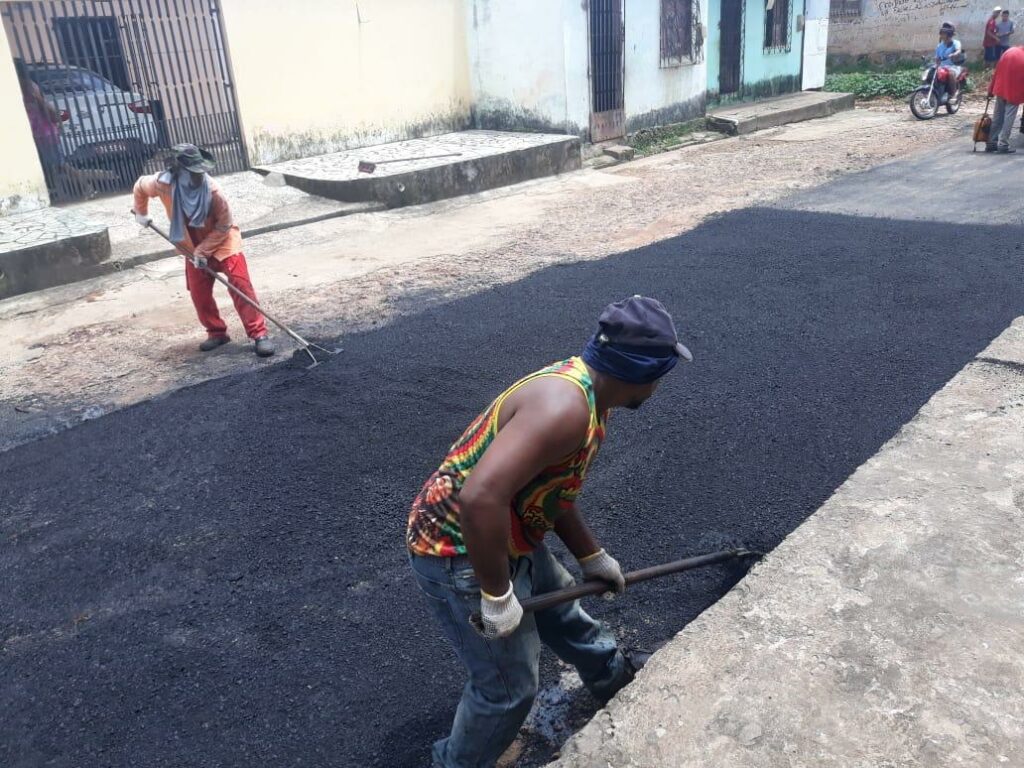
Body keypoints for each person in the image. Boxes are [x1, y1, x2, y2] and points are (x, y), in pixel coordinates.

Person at [407, 295, 693, 768]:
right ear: (640, 372)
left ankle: (611, 677)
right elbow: (479, 499)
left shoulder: (588, 391)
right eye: (660, 376)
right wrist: (497, 595)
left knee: (563, 609)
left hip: (505, 529)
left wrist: (590, 557)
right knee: (508, 689)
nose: (659, 387)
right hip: (460, 547)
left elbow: (552, 486)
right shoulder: (564, 410)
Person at [132, 144, 275, 356]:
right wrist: (141, 213)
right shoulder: (162, 184)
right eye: (192, 171)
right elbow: (139, 187)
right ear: (178, 170)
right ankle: (217, 333)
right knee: (199, 293)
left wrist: (204, 251)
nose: (198, 176)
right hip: (190, 243)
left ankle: (259, 334)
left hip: (223, 242)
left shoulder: (213, 191)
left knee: (241, 286)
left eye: (199, 171)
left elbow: (224, 224)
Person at [14, 58, 99, 200]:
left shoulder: (28, 86)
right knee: (52, 166)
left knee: (60, 165)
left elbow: (42, 105)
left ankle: (87, 186)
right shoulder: (24, 85)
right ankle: (59, 193)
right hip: (39, 131)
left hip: (43, 132)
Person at [987, 44, 1024, 152]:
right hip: (1015, 91)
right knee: (1009, 117)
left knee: (998, 116)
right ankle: (1003, 144)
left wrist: (990, 89)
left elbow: (996, 72)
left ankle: (991, 142)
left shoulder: (1008, 52)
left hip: (1001, 88)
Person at [934, 23, 964, 104]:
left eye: (944, 33)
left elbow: (958, 50)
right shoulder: (939, 46)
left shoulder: (956, 43)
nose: (942, 35)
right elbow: (937, 58)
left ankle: (953, 94)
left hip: (954, 66)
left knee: (951, 73)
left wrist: (954, 54)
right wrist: (936, 62)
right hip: (942, 67)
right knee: (930, 71)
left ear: (949, 34)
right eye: (941, 32)